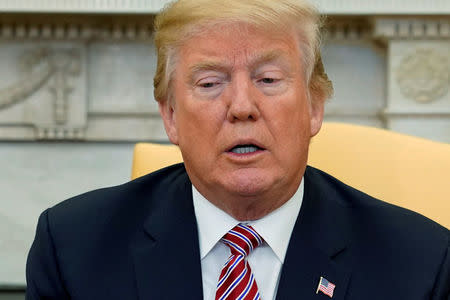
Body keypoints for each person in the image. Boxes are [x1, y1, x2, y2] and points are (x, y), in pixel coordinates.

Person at [26, 0, 449, 299]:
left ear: (315, 105)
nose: (242, 107)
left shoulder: (420, 264)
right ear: (170, 115)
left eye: (268, 79)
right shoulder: (73, 249)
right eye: (210, 83)